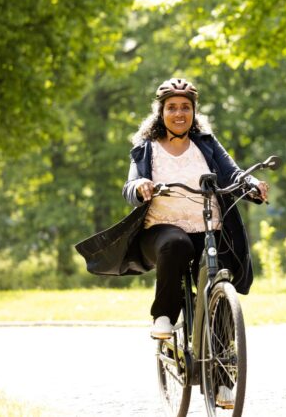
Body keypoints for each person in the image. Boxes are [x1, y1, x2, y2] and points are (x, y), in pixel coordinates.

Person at [80, 78, 267, 407]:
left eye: (185, 107)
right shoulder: (146, 148)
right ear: (161, 112)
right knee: (175, 245)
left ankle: (223, 381)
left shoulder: (206, 143)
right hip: (161, 231)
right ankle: (163, 317)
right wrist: (140, 186)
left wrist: (250, 183)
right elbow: (130, 184)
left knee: (217, 289)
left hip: (209, 227)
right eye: (172, 108)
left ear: (194, 112)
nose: (179, 113)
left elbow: (233, 173)